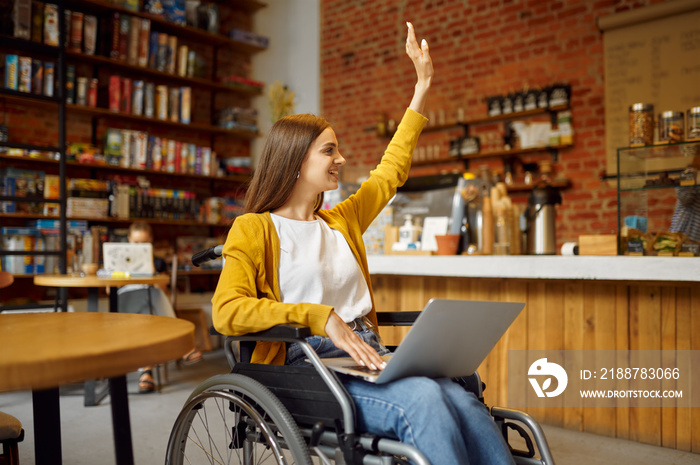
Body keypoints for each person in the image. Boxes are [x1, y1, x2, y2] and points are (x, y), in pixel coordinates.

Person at [211, 22, 515, 465]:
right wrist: (321, 318)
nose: (342, 159)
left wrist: (422, 88)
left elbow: (390, 171)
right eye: (329, 151)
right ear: (296, 163)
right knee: (426, 401)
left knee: (459, 397)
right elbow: (227, 310)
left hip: (366, 351)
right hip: (304, 366)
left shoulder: (342, 220)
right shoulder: (253, 229)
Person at [123, 221, 203, 393]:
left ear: (150, 240)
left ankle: (146, 373)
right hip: (124, 304)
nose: (140, 247)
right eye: (136, 243)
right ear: (129, 239)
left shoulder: (157, 263)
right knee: (153, 295)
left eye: (144, 243)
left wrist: (151, 270)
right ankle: (182, 344)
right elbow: (109, 291)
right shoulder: (118, 259)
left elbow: (163, 290)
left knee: (149, 308)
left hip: (148, 307)